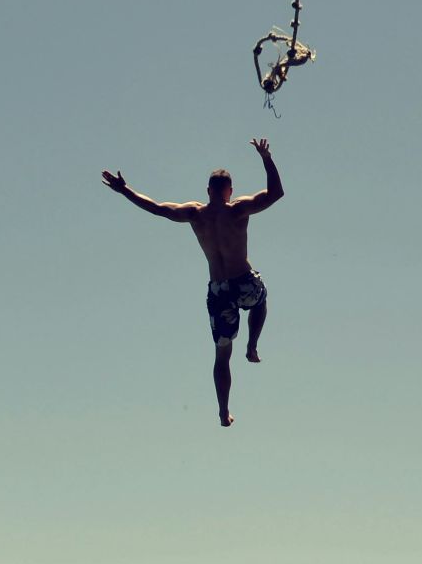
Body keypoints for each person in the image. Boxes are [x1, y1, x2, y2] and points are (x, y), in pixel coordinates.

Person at [101, 138, 284, 427]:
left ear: (208, 190)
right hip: (242, 282)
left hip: (219, 290)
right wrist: (266, 158)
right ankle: (252, 346)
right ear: (230, 191)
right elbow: (276, 193)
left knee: (222, 354)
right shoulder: (238, 209)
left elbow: (158, 208)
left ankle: (223, 411)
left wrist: (125, 191)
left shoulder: (195, 213)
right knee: (260, 297)